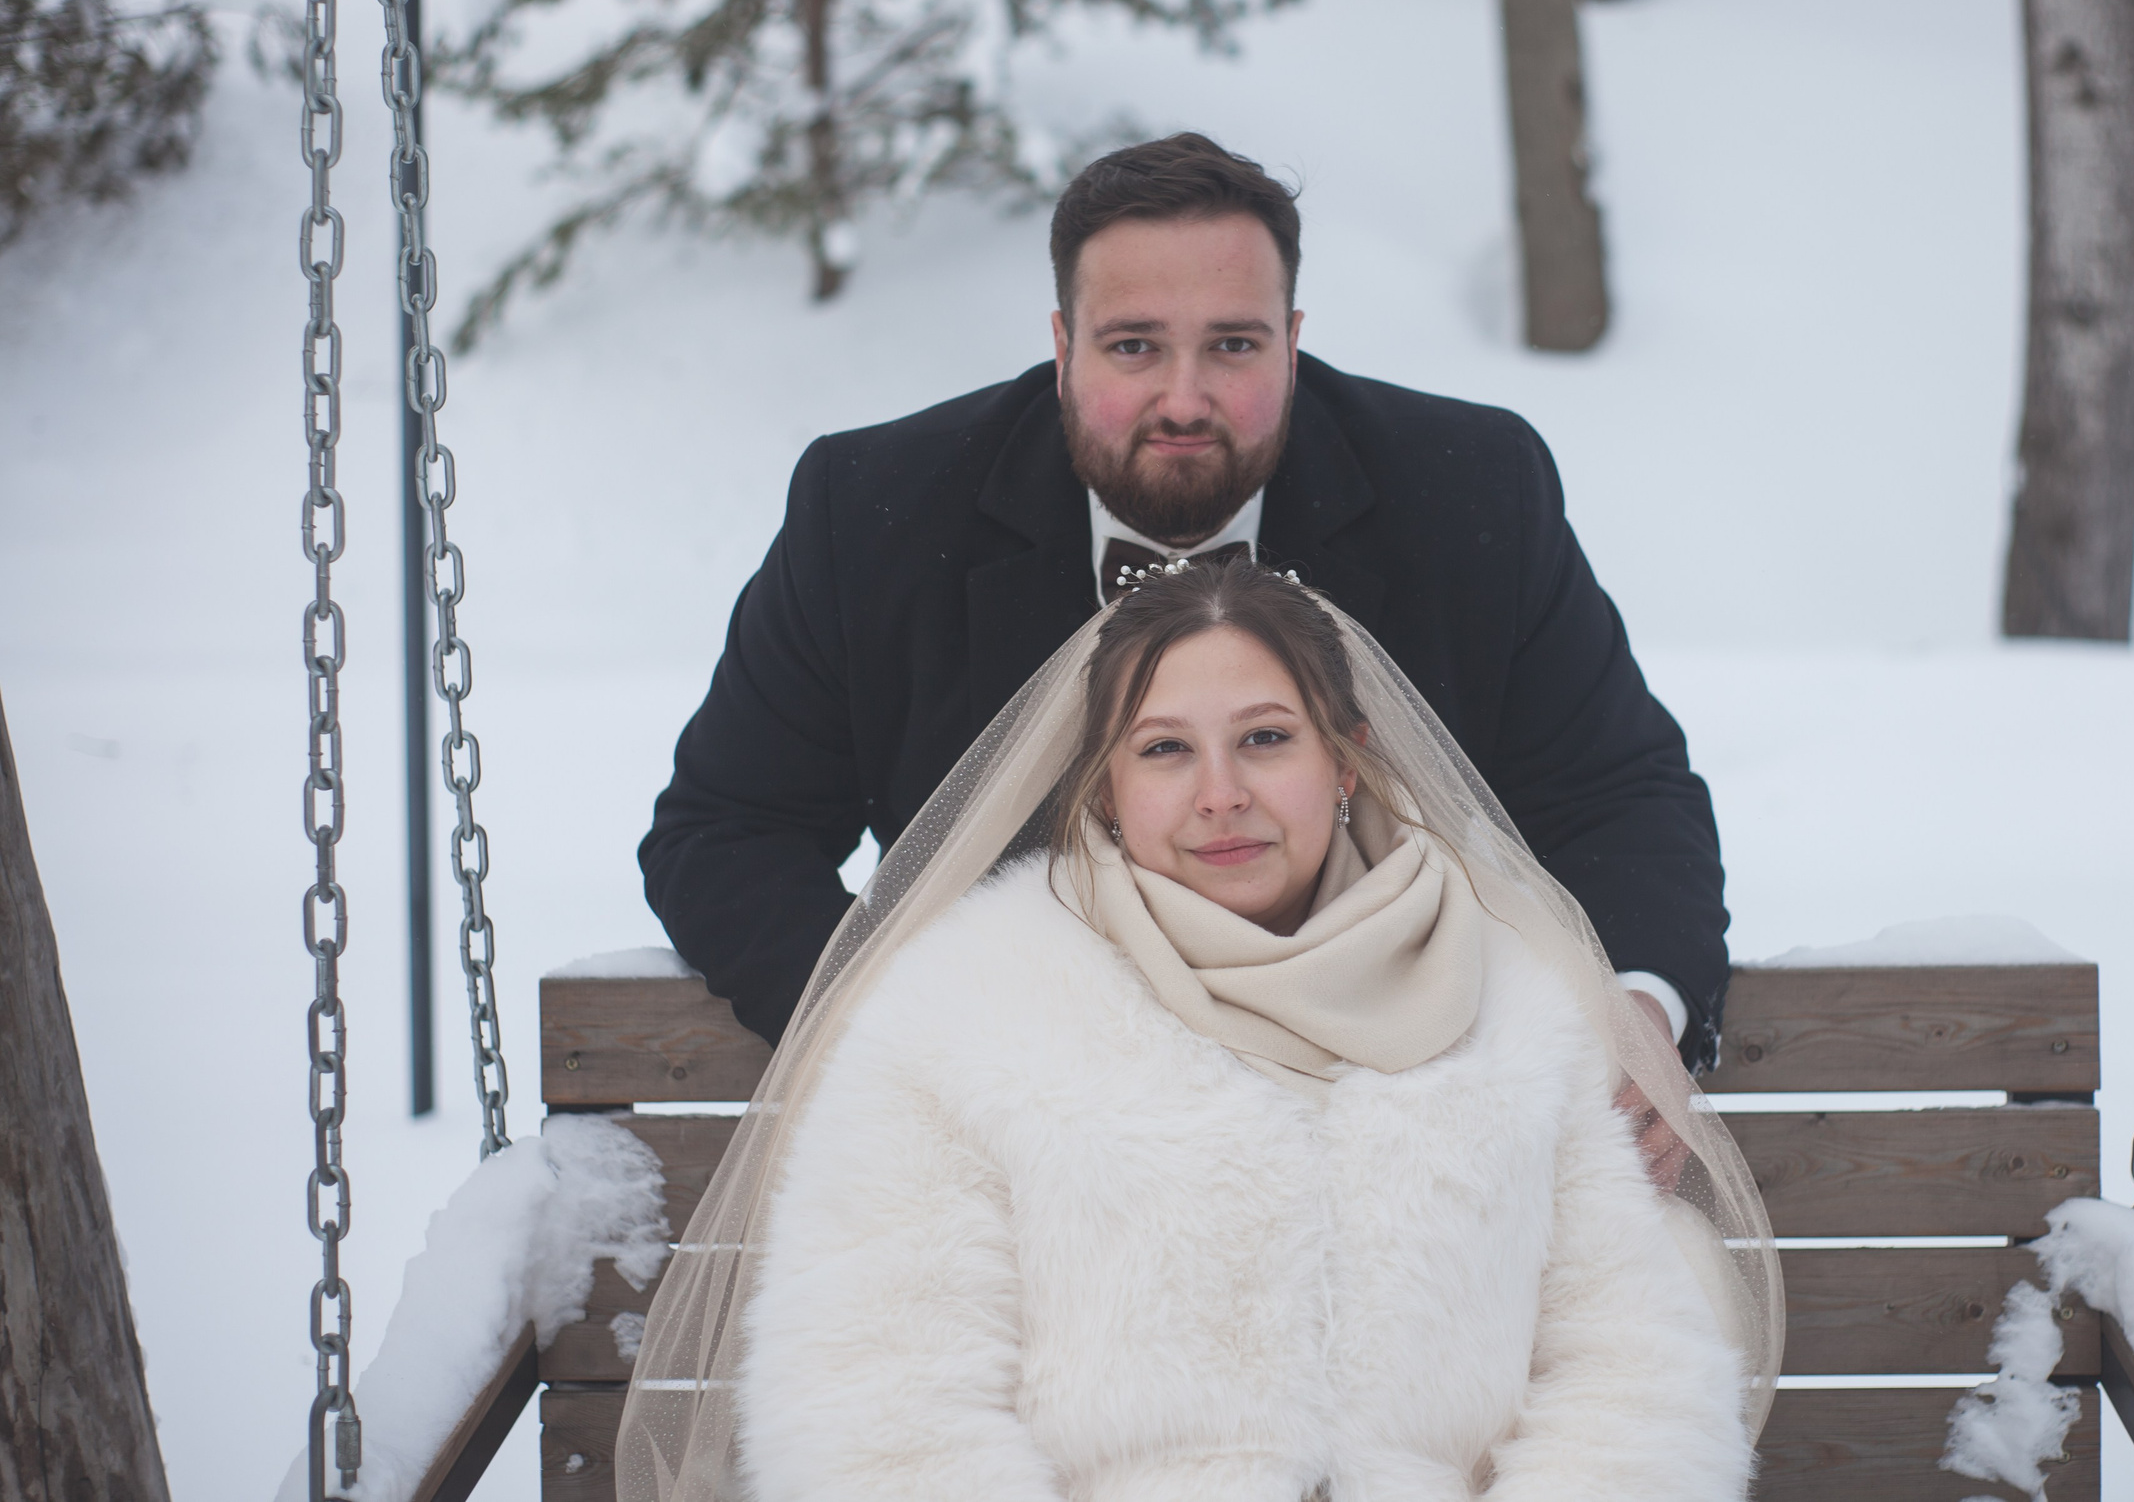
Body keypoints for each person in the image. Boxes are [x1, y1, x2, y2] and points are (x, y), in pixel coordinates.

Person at [615, 560, 1781, 1500]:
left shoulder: (1523, 1007)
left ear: (1345, 762)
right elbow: (873, 1407)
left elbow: (1633, 1372)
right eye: (1165, 750)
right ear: (1105, 788)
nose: (1219, 792)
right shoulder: (965, 1013)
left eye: (1266, 739)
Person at [639, 132, 1735, 1078]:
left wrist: (1638, 1007)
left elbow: (1613, 794)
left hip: (1382, 1104)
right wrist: (919, 1033)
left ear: (1293, 342)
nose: (1183, 398)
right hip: (1023, 1124)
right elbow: (727, 835)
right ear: (1062, 346)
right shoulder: (874, 510)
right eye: (1133, 347)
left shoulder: (1466, 487)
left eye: (1232, 345)